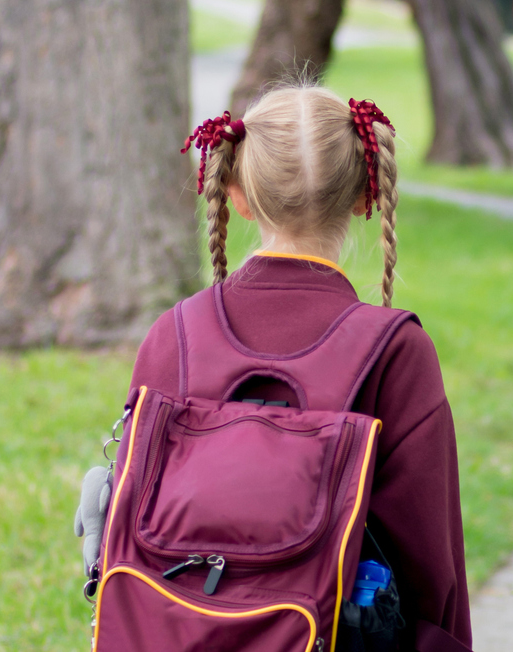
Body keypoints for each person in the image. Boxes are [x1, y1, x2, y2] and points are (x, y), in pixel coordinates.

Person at [128, 86, 471, 650]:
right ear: (367, 193)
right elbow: (431, 572)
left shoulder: (174, 337)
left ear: (236, 194)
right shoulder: (395, 352)